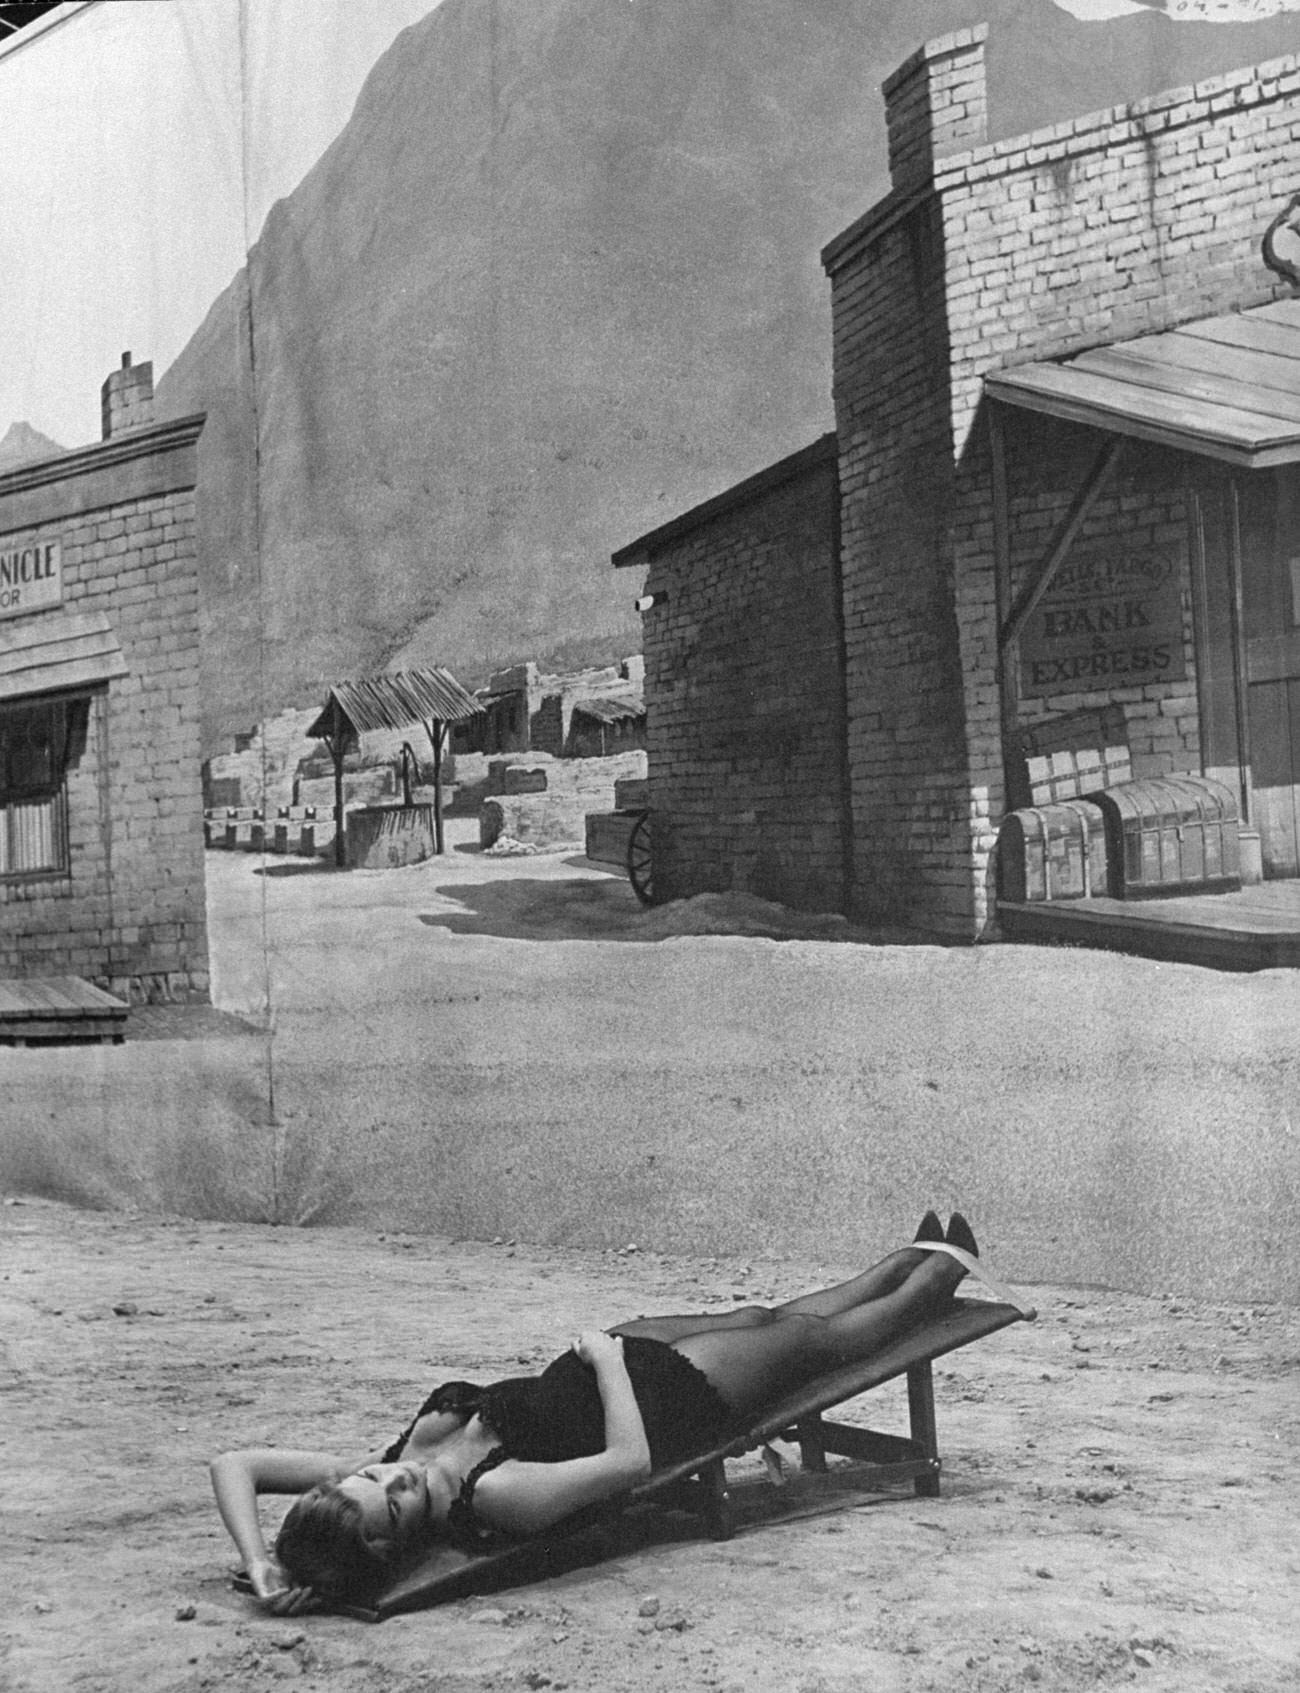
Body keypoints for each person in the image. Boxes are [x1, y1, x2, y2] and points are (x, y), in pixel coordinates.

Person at [211, 1211, 986, 1613]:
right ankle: (944, 1272)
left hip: (614, 1355)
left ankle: (906, 1253)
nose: (394, 1470)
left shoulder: (383, 1469)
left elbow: (233, 1464)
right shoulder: (494, 1498)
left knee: (762, 1312)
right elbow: (628, 1465)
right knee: (813, 1339)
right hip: (669, 1399)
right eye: (395, 1493)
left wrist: (260, 1563)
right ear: (393, 1540)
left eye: (373, 1473)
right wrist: (610, 1363)